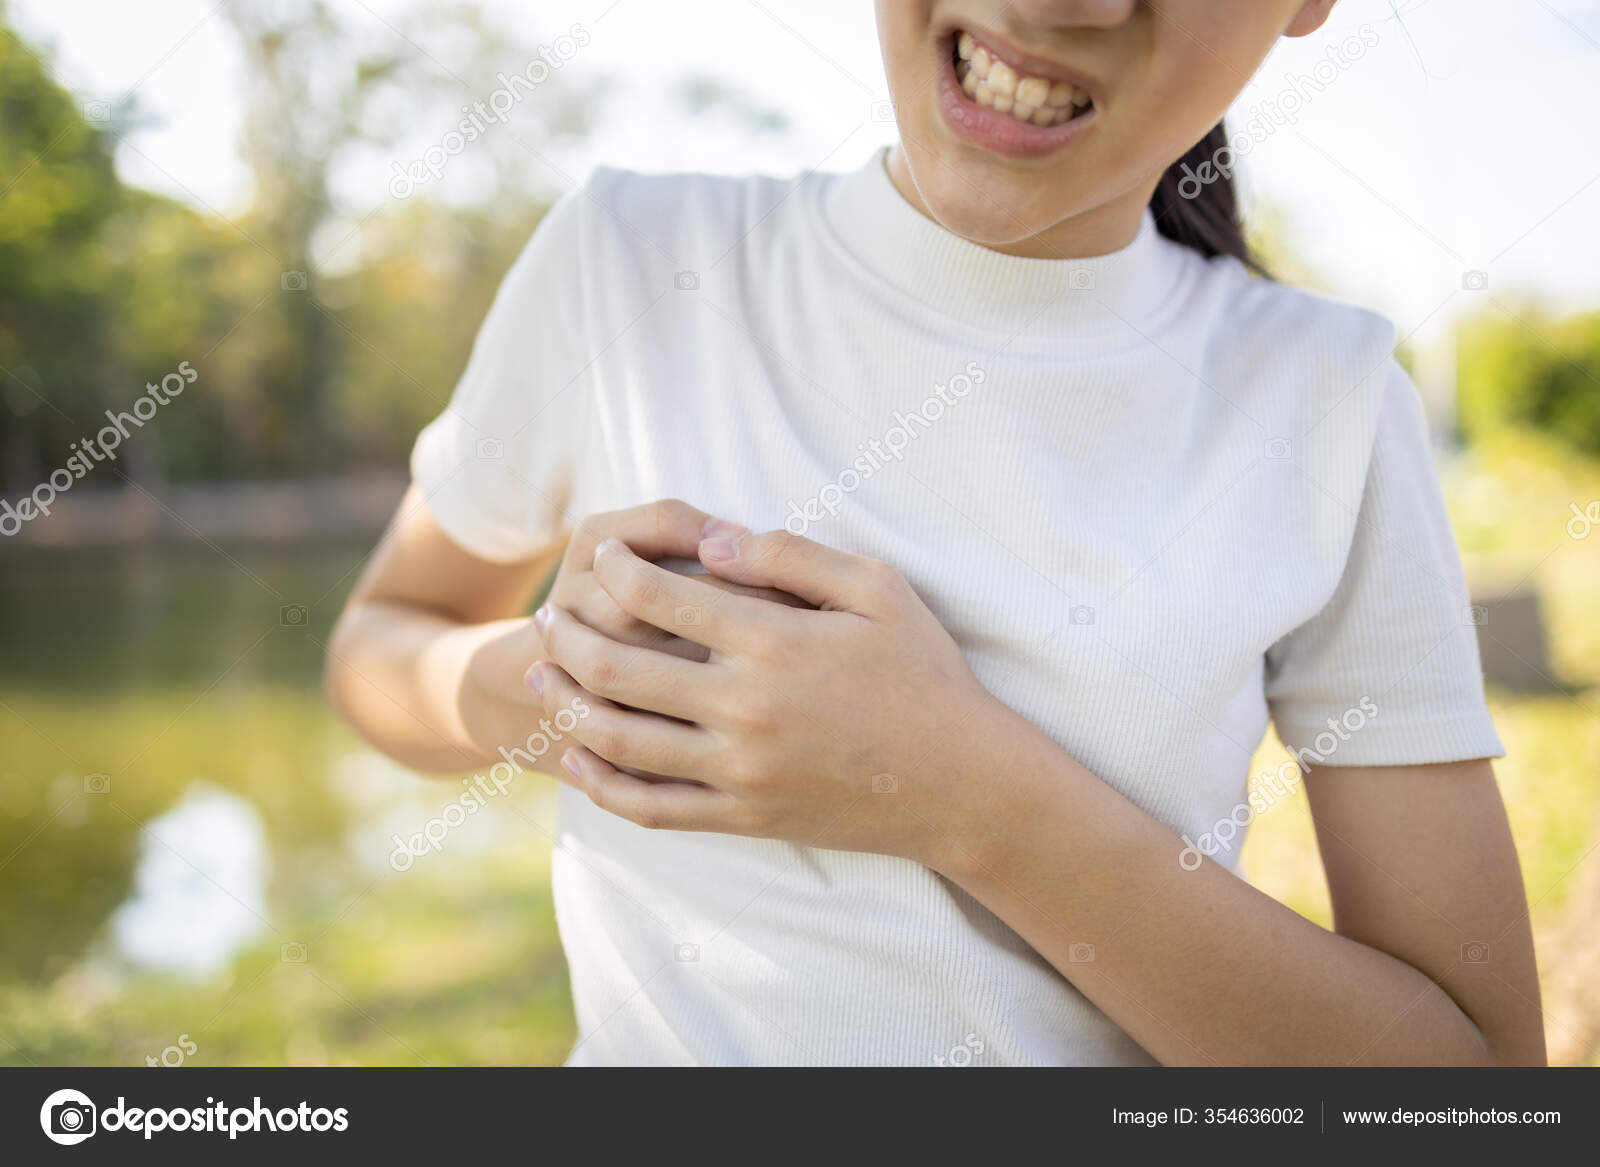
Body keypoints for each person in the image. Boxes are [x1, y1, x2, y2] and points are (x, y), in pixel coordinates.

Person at [327, 0, 1545, 1066]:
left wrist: (962, 795)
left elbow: (1469, 1083)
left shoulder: (1325, 403)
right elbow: (382, 646)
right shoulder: (629, 260)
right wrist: (564, 690)